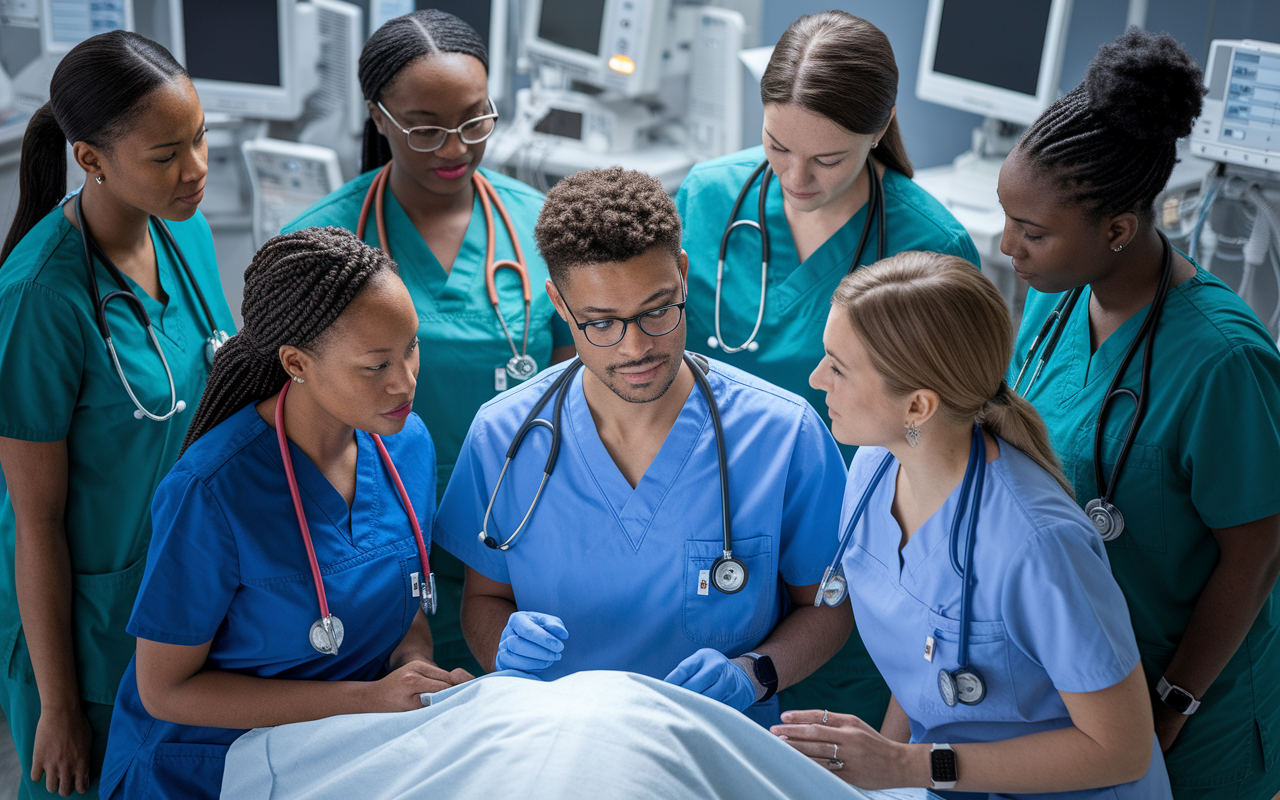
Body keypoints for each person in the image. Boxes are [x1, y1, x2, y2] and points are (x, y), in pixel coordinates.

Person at [432, 168, 851, 727]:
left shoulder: (782, 434)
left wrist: (756, 673)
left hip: (717, 747)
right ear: (559, 302)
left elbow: (826, 607)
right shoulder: (504, 434)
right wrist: (503, 652)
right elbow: (484, 601)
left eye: (656, 310)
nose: (637, 348)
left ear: (681, 274)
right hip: (555, 740)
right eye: (601, 323)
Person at [773, 251, 1171, 799]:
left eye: (838, 368)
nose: (817, 378)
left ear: (917, 407)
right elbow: (922, 667)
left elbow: (1120, 748)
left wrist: (906, 769)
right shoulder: (873, 468)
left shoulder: (1038, 544)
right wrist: (884, 786)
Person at [676, 10, 981, 726]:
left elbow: (945, 448)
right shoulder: (707, 197)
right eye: (777, 147)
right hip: (712, 528)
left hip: (854, 553)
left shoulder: (928, 246)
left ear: (879, 130)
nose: (795, 176)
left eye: (829, 159)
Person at [998, 29, 1280, 800]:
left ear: (1117, 229)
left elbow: (1256, 553)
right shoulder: (1053, 307)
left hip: (1188, 710)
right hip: (1079, 692)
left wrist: (1172, 707)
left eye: (1032, 233)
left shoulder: (1223, 361)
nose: (1008, 248)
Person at [97, 227, 472, 799]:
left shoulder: (407, 445)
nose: (406, 381)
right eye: (375, 366)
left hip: (339, 752)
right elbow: (166, 691)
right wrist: (367, 701)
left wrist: (413, 672)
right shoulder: (212, 491)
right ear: (296, 362)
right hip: (202, 769)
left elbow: (404, 603)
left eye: (411, 347)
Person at [284, 9, 574, 678]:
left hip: (519, 534)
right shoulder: (321, 244)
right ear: (378, 117)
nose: (454, 148)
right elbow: (297, 422)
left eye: (476, 121)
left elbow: (572, 396)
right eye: (425, 128)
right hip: (371, 544)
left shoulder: (540, 225)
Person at [0, 31, 234, 799]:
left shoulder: (185, 227)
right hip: (88, 632)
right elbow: (33, 522)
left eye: (199, 138)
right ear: (91, 160)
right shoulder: (41, 298)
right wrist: (60, 706)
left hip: (189, 600)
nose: (195, 170)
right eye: (165, 155)